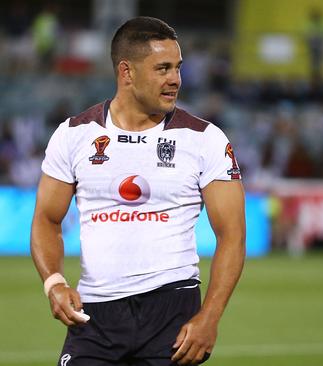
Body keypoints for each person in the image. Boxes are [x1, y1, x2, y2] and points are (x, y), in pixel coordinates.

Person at [30, 17, 246, 365]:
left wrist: (210, 316)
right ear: (126, 72)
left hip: (172, 314)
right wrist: (54, 282)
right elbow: (46, 218)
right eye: (162, 68)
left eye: (177, 68)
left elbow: (232, 236)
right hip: (95, 316)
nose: (175, 79)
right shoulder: (73, 135)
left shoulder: (205, 140)